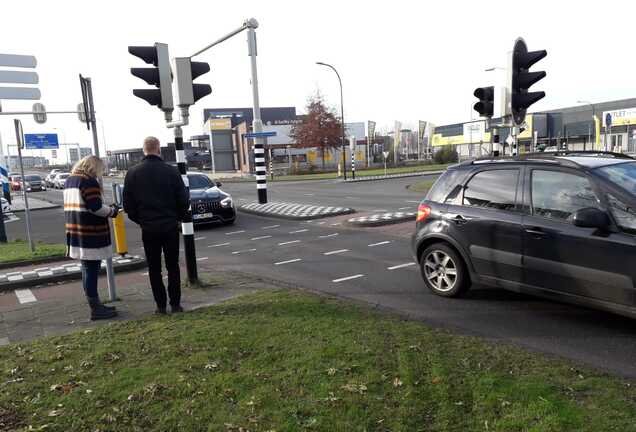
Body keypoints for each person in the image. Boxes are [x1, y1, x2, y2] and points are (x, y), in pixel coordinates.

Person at [123, 136, 189, 314]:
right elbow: (183, 199)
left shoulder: (133, 173)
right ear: (158, 149)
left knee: (154, 268)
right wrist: (178, 218)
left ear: (143, 150)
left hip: (149, 228)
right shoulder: (171, 171)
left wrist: (142, 220)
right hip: (169, 226)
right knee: (173, 266)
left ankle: (160, 306)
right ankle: (175, 304)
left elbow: (128, 206)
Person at [64, 155, 119, 320]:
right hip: (90, 232)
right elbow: (95, 207)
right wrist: (112, 211)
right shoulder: (88, 181)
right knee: (91, 270)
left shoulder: (70, 180)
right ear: (92, 167)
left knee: (86, 269)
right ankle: (96, 309)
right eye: (99, 170)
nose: (99, 173)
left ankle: (95, 304)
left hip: (76, 230)